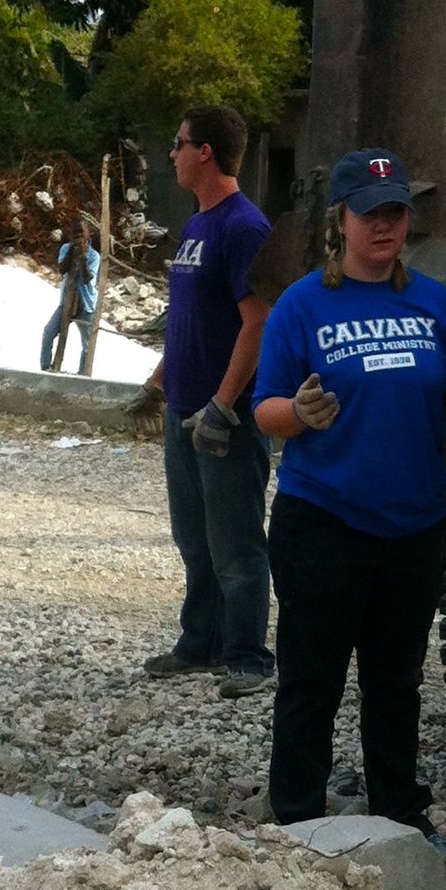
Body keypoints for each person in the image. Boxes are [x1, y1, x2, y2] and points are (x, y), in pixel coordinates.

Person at [254, 150, 446, 830]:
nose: (385, 225)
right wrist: (298, 413)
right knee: (312, 682)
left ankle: (398, 815)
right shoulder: (303, 304)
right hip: (324, 522)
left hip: (412, 526)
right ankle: (298, 820)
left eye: (395, 211)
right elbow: (264, 409)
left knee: (396, 684)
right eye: (371, 213)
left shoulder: (432, 302)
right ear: (340, 219)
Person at [145, 104, 275, 700]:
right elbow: (192, 314)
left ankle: (249, 656)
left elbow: (258, 319)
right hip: (184, 408)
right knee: (194, 537)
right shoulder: (197, 223)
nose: (172, 154)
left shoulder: (243, 226)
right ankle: (201, 641)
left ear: (205, 152)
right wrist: (161, 376)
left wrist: (223, 405)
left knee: (236, 543)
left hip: (226, 416)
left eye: (179, 143)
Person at [39, 217, 102, 374]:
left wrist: (82, 257)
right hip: (66, 301)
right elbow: (62, 269)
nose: (78, 236)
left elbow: (87, 278)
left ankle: (82, 374)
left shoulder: (94, 256)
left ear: (88, 234)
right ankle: (46, 368)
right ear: (70, 235)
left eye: (81, 232)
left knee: (87, 344)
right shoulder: (65, 249)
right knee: (48, 332)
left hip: (85, 304)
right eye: (74, 233)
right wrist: (72, 251)